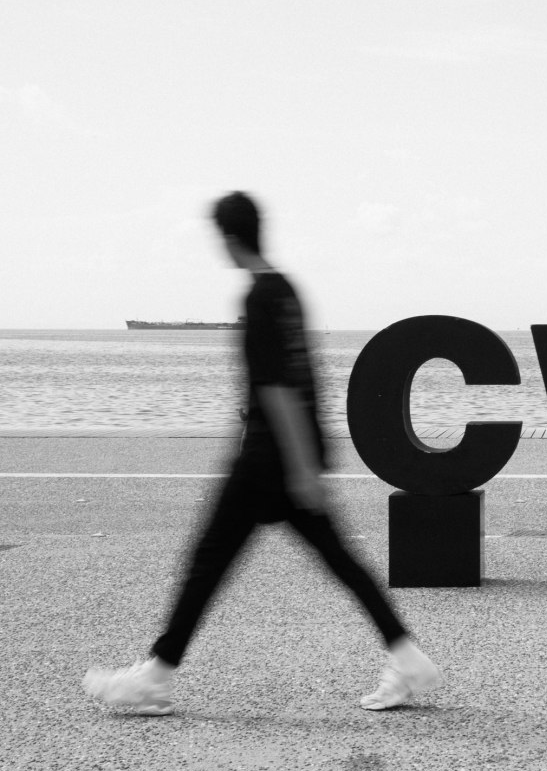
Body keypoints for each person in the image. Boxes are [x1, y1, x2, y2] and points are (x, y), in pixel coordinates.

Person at [84, 191, 443, 715]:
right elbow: (303, 375)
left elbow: (277, 390)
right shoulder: (286, 291)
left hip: (266, 463)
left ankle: (155, 678)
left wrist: (299, 469)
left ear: (229, 238)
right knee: (336, 560)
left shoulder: (257, 297)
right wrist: (309, 458)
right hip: (287, 455)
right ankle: (408, 658)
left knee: (208, 563)